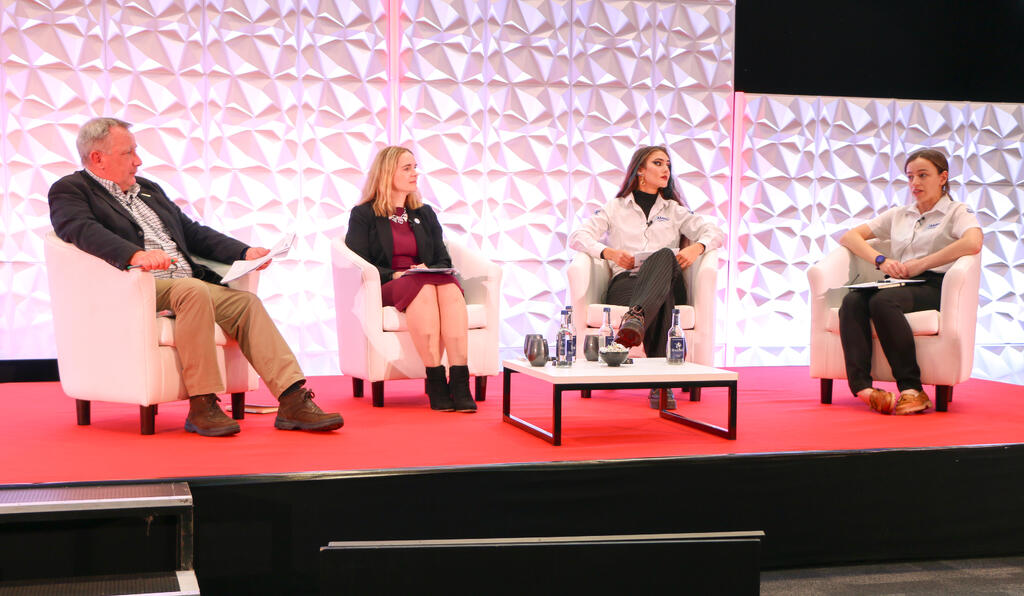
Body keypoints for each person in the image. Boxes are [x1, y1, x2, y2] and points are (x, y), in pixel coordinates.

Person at [48, 117, 343, 436]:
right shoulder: (71, 190)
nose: (138, 160)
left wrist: (243, 252)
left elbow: (192, 232)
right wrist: (134, 256)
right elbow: (80, 230)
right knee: (192, 291)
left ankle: (293, 400)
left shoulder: (147, 189)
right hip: (133, 286)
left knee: (245, 305)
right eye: (128, 153)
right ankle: (203, 404)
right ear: (97, 158)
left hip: (185, 285)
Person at [569, 145, 725, 409]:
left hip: (666, 279)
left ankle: (635, 319)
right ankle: (661, 385)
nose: (665, 169)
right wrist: (609, 253)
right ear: (640, 169)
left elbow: (715, 232)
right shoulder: (614, 207)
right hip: (627, 283)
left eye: (668, 165)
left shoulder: (674, 210)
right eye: (658, 163)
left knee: (663, 256)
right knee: (661, 298)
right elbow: (577, 237)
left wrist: (697, 247)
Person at [838, 148, 983, 415]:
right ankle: (864, 390)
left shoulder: (956, 211)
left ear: (943, 177)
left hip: (935, 285)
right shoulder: (900, 214)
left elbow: (973, 242)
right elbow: (849, 237)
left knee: (882, 302)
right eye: (910, 177)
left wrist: (923, 263)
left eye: (923, 175)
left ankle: (912, 390)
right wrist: (881, 260)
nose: (915, 183)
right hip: (901, 282)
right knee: (852, 300)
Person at [344, 146, 476, 413]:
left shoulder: (424, 214)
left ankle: (460, 382)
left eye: (415, 167)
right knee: (425, 287)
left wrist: (427, 267)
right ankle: (436, 379)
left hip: (424, 278)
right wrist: (395, 274)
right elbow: (357, 264)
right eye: (407, 168)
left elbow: (443, 259)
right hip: (390, 283)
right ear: (386, 173)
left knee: (450, 288)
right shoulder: (365, 215)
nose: (415, 173)